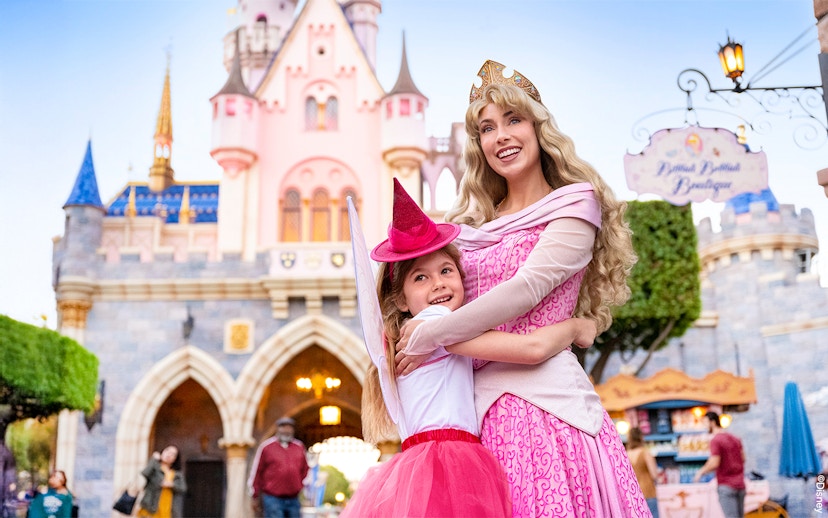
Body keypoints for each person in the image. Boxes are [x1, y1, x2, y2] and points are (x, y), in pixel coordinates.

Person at [394, 59, 649, 516]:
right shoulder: (468, 229)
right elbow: (426, 298)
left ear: (538, 127)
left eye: (513, 120)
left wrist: (435, 336)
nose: (501, 136)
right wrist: (570, 328)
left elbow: (526, 289)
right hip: (476, 422)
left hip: (549, 410)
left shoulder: (573, 206)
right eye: (487, 128)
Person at [342, 179, 597, 517]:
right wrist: (578, 326)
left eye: (446, 270)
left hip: (417, 463)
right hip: (450, 461)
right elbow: (532, 349)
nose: (439, 283)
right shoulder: (434, 327)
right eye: (420, 277)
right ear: (401, 299)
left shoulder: (405, 335)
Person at [248, 417, 309, 518]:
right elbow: (257, 471)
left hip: (293, 498)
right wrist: (255, 494)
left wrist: (298, 484)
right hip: (273, 498)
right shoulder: (267, 447)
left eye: (289, 427)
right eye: (283, 427)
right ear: (278, 429)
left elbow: (305, 469)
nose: (286, 430)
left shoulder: (299, 447)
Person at [692, 411, 746, 517]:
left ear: (712, 422)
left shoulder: (716, 440)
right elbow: (743, 458)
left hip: (726, 485)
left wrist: (700, 472)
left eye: (705, 422)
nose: (705, 425)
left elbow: (714, 462)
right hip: (740, 484)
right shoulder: (735, 438)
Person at [137, 445, 187, 518]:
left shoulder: (177, 474)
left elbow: (183, 488)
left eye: (173, 454)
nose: (169, 455)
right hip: (151, 508)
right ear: (162, 452)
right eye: (167, 451)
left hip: (168, 509)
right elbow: (145, 473)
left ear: (175, 459)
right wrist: (153, 459)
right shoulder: (155, 467)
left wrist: (172, 484)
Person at [627, 427, 660, 517]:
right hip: (648, 492)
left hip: (633, 494)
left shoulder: (626, 454)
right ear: (641, 437)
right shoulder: (646, 453)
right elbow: (654, 475)